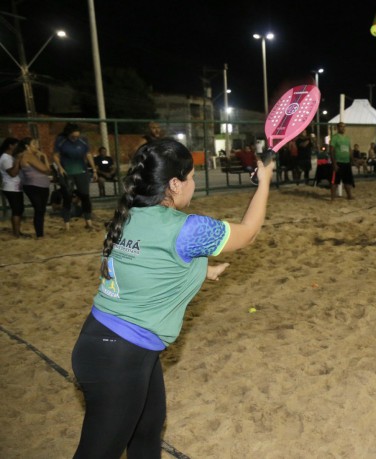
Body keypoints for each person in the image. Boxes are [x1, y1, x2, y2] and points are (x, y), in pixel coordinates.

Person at [71, 139, 274, 458]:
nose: (193, 184)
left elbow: (148, 264)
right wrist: (264, 184)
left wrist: (200, 272)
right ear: (175, 184)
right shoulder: (187, 229)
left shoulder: (130, 213)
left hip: (106, 343)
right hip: (120, 356)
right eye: (192, 177)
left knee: (148, 430)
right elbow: (248, 233)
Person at [53, 123, 96, 230]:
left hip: (81, 170)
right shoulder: (61, 140)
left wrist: (94, 169)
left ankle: (88, 222)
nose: (75, 138)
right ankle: (67, 224)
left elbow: (88, 154)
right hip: (67, 172)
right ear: (68, 134)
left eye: (77, 136)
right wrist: (60, 168)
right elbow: (55, 155)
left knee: (85, 196)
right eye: (73, 137)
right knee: (67, 197)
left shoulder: (83, 141)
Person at [17, 138, 52, 238]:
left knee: (40, 210)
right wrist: (44, 156)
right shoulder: (28, 156)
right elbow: (46, 169)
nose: (37, 146)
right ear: (27, 146)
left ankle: (40, 233)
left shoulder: (31, 156)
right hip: (35, 186)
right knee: (39, 210)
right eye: (34, 144)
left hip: (38, 185)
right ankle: (39, 234)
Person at [0, 137, 25, 237]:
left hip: (15, 187)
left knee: (19, 209)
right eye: (16, 145)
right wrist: (18, 160)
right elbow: (13, 173)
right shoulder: (5, 158)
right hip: (11, 187)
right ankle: (16, 233)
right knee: (16, 210)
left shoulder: (10, 157)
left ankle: (18, 231)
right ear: (10, 146)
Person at [329, 122, 354, 200]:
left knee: (347, 181)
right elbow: (331, 151)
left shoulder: (347, 138)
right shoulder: (334, 137)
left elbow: (349, 150)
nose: (343, 128)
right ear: (337, 128)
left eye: (344, 127)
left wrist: (351, 159)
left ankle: (349, 196)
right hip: (338, 162)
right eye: (341, 127)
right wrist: (334, 163)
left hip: (346, 162)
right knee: (335, 181)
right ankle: (332, 198)